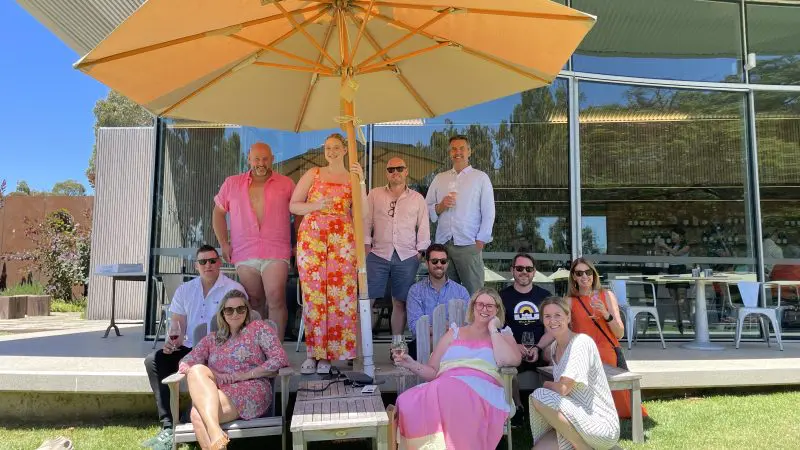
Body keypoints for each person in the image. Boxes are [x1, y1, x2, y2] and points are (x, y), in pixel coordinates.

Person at [142, 245, 246, 450]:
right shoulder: (185, 290)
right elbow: (177, 326)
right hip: (191, 347)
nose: (208, 265)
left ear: (220, 263)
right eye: (203, 261)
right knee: (154, 360)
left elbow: (241, 325)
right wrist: (173, 342)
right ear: (196, 265)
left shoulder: (233, 289)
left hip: (220, 348)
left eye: (212, 261)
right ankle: (168, 426)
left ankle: (194, 415)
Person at [393, 288, 521, 449]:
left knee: (449, 389)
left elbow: (510, 360)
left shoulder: (503, 335)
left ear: (497, 310)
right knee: (407, 401)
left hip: (482, 388)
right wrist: (410, 363)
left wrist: (493, 329)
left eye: (490, 306)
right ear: (473, 307)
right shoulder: (454, 333)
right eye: (480, 304)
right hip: (445, 384)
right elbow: (432, 372)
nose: (484, 309)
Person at [290, 133, 367, 375]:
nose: (331, 151)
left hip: (342, 243)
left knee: (339, 299)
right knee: (314, 298)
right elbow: (294, 205)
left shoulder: (352, 176)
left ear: (345, 150)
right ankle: (313, 353)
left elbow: (362, 212)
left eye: (336, 147)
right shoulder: (313, 173)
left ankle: (330, 356)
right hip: (312, 241)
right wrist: (315, 206)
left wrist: (362, 181)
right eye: (327, 148)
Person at [178, 290, 289, 450]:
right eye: (229, 310)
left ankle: (214, 432)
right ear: (222, 313)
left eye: (240, 309)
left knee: (197, 414)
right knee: (196, 370)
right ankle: (216, 433)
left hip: (252, 388)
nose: (235, 313)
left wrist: (244, 375)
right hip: (218, 391)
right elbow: (185, 363)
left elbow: (280, 358)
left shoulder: (258, 329)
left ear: (247, 311)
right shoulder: (212, 339)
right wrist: (216, 376)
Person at [212, 142, 295, 341]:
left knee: (276, 298)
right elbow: (218, 213)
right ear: (249, 159)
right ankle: (257, 349)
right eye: (256, 158)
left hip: (276, 248)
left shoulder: (286, 183)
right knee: (254, 301)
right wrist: (224, 243)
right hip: (244, 250)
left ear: (272, 159)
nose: (261, 163)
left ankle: (275, 350)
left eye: (265, 158)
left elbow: (299, 213)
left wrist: (298, 243)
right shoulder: (232, 183)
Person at [529, 296, 620, 450]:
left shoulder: (581, 343)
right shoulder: (553, 348)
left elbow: (562, 389)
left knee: (539, 395)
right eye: (547, 316)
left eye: (558, 315)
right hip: (574, 420)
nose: (552, 320)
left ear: (568, 316)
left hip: (600, 425)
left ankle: (582, 447)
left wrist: (545, 384)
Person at [565, 257, 646, 419]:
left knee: (623, 410)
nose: (584, 277)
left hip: (606, 351)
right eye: (579, 273)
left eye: (588, 272)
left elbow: (619, 333)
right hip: (583, 353)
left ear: (594, 274)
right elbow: (565, 332)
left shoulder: (606, 295)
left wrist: (606, 314)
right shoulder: (569, 301)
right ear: (573, 277)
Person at [365, 157, 430, 341]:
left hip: (407, 256)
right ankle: (363, 349)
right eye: (391, 169)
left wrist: (420, 252)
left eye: (399, 169)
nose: (395, 172)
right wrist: (366, 247)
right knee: (366, 301)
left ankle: (397, 347)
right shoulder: (375, 194)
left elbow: (423, 226)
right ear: (386, 173)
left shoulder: (417, 198)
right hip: (378, 254)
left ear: (406, 171)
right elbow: (366, 221)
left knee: (400, 302)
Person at [425, 135, 495, 295]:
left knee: (475, 294)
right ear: (450, 153)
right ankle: (451, 322)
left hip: (469, 244)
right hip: (444, 244)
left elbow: (489, 211)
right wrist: (441, 206)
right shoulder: (439, 178)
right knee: (446, 294)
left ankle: (476, 321)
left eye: (462, 148)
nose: (458, 152)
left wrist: (480, 240)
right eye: (454, 149)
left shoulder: (480, 178)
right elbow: (426, 208)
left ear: (469, 151)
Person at [499, 253, 552, 426]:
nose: (524, 272)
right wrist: (515, 345)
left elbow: (552, 329)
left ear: (534, 272)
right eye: (519, 268)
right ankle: (518, 409)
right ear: (512, 270)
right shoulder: (502, 297)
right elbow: (497, 330)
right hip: (513, 348)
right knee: (507, 366)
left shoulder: (545, 296)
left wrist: (537, 347)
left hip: (540, 347)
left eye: (528, 269)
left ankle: (552, 407)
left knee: (554, 356)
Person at [405, 243, 470, 359]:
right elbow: (415, 326)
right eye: (435, 261)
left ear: (447, 264)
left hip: (454, 344)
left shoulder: (461, 291)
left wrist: (436, 330)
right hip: (425, 343)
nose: (439, 265)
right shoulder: (415, 291)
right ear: (427, 263)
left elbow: (467, 323)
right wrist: (444, 329)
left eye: (443, 261)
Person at [656, 227, 691, 333]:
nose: (672, 237)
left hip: (681, 271)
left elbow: (677, 254)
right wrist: (657, 245)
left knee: (682, 297)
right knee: (674, 299)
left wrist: (665, 246)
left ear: (681, 237)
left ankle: (690, 320)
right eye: (672, 235)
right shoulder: (671, 246)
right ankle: (679, 323)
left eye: (675, 235)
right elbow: (660, 255)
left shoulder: (686, 247)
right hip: (671, 270)